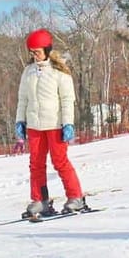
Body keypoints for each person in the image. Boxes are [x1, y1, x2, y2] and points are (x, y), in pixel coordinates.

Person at [15, 29, 86, 217]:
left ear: (47, 50)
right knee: (36, 164)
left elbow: (67, 100)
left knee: (60, 161)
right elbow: (22, 99)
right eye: (32, 52)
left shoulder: (59, 72)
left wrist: (68, 124)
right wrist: (20, 121)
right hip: (34, 125)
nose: (34, 56)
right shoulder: (28, 72)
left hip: (55, 125)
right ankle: (40, 201)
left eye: (37, 52)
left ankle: (75, 197)